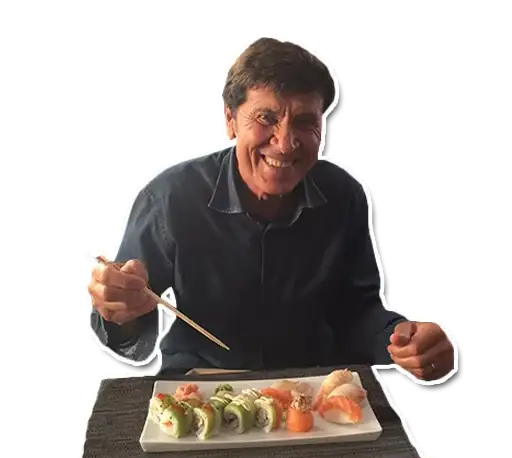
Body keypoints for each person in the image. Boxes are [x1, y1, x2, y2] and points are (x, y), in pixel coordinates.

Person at [88, 37, 456, 380]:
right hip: (201, 382)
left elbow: (357, 312)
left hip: (312, 386)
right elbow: (128, 328)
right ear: (230, 120)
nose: (285, 143)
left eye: (305, 122)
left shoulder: (344, 195)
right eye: (266, 118)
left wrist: (403, 340)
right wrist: (118, 308)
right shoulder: (170, 197)